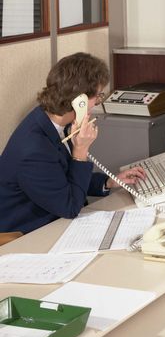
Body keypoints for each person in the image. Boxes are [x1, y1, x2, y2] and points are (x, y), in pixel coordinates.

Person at [0, 52, 146, 234]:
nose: (97, 104)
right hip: (23, 236)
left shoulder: (50, 121)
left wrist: (109, 181)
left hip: (52, 221)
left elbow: (59, 179)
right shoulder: (34, 149)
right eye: (98, 97)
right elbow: (69, 206)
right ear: (80, 101)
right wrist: (80, 151)